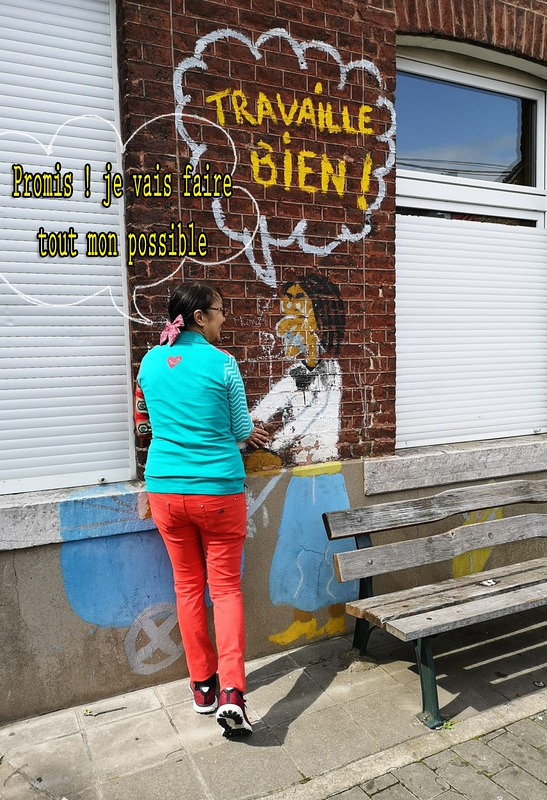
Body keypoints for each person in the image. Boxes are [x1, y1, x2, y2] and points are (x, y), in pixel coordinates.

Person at [135, 281, 268, 737]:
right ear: (198, 318)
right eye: (219, 312)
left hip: (165, 493)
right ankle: (232, 693)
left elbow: (145, 422)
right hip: (217, 492)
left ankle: (202, 688)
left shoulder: (150, 363)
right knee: (226, 590)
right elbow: (241, 430)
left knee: (188, 587)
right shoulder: (223, 364)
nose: (223, 319)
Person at [250, 275, 359, 646]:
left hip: (326, 478)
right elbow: (270, 404)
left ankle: (332, 618)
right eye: (288, 298)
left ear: (320, 310)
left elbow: (312, 416)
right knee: (295, 546)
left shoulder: (330, 371)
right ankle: (303, 618)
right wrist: (246, 424)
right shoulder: (297, 372)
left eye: (300, 298)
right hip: (302, 478)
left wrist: (274, 446)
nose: (291, 305)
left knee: (330, 550)